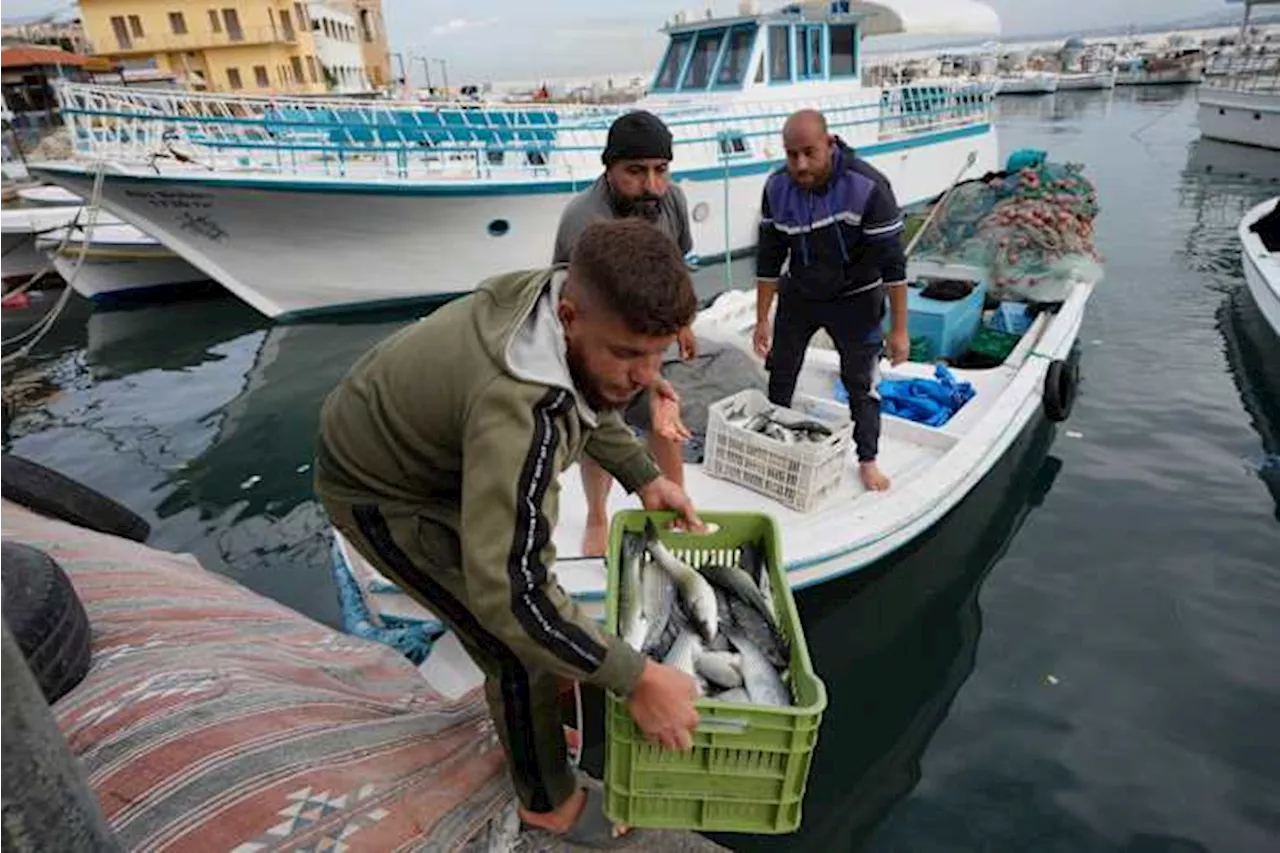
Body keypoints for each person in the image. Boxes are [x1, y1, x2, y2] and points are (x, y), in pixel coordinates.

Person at [314, 219, 704, 847]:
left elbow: (589, 394)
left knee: (544, 638)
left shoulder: (559, 310)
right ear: (572, 317)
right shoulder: (521, 409)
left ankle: (541, 713)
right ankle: (547, 803)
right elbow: (512, 596)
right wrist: (639, 679)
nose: (643, 376)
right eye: (629, 353)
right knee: (514, 646)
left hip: (439, 449)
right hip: (379, 490)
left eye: (656, 353)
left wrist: (643, 476)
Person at [552, 109, 697, 557]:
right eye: (636, 172)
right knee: (602, 421)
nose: (651, 185)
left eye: (660, 170)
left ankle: (675, 505)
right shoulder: (583, 220)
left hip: (653, 325)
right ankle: (598, 515)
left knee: (666, 417)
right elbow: (579, 316)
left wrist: (683, 323)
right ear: (609, 169)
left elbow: (680, 264)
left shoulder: (671, 199)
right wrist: (644, 374)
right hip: (598, 335)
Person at [752, 109, 910, 492]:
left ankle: (868, 459)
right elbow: (769, 258)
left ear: (830, 143)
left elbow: (894, 266)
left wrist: (899, 331)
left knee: (860, 382)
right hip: (800, 293)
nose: (800, 164)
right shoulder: (776, 187)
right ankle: (777, 439)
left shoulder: (868, 186)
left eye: (810, 153)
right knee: (781, 369)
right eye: (792, 155)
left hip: (855, 297)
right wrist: (761, 319)